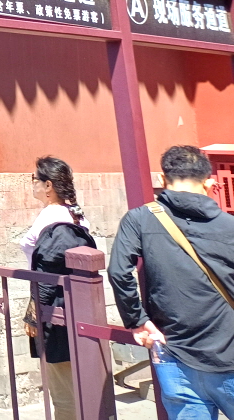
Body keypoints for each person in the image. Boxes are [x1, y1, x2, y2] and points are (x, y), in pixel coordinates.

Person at [109, 145, 234, 420]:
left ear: (163, 179)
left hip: (173, 351)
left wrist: (137, 321)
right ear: (208, 182)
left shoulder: (139, 219)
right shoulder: (229, 225)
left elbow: (119, 271)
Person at [23, 156, 92, 420]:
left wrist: (34, 313)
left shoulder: (51, 218)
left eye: (34, 179)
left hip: (55, 308)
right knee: (80, 380)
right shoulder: (75, 214)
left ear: (48, 185)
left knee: (63, 388)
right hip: (78, 301)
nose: (32, 184)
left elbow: (47, 270)